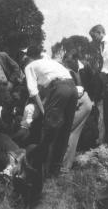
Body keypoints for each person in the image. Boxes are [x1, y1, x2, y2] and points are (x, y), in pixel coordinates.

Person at [23, 46, 78, 176]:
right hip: (72, 87)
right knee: (65, 130)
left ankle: (38, 169)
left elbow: (33, 92)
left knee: (48, 129)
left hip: (60, 88)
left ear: (28, 57)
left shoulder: (29, 66)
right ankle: (55, 170)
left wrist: (43, 112)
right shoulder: (50, 62)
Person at [61, 52, 93, 171]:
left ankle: (63, 166)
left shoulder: (73, 71)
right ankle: (65, 166)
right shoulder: (73, 70)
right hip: (82, 101)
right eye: (65, 61)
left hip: (81, 101)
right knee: (72, 134)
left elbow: (79, 90)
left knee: (68, 132)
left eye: (68, 61)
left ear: (75, 60)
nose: (66, 64)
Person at [89, 24, 108, 147]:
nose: (94, 40)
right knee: (107, 111)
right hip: (107, 77)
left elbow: (107, 60)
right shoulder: (102, 44)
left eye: (94, 37)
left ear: (99, 32)